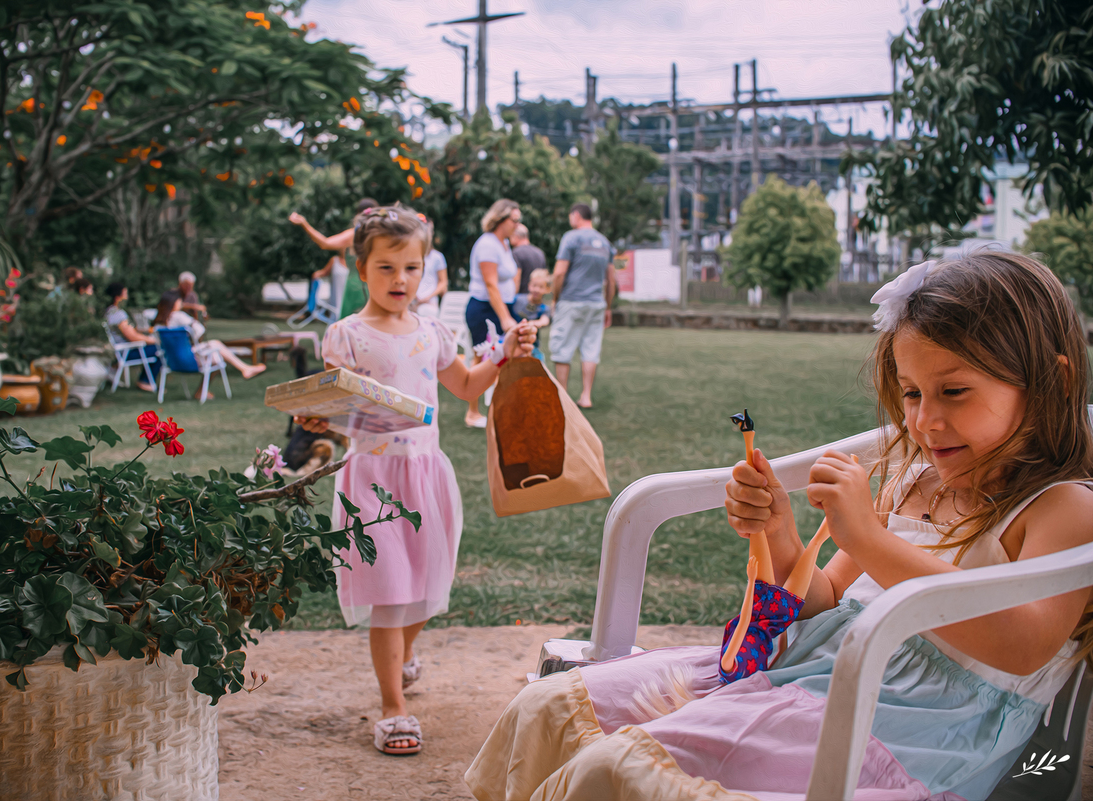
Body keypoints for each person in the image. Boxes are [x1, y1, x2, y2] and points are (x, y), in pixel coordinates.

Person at [466, 251, 1093, 801]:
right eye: (910, 393)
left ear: (1050, 382)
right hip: (808, 674)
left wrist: (869, 540)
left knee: (623, 768)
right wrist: (780, 533)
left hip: (911, 729)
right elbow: (826, 600)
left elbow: (1023, 645)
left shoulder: (1061, 508)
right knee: (548, 706)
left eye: (953, 391)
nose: (925, 421)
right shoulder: (915, 478)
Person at [295, 205, 537, 757]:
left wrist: (505, 352)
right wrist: (318, 416)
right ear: (361, 268)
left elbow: (467, 386)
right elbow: (339, 406)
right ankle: (392, 707)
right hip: (372, 480)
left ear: (424, 268)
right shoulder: (346, 336)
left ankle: (404, 656)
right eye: (385, 267)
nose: (400, 279)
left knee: (426, 588)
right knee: (389, 593)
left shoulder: (433, 332)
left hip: (426, 474)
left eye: (410, 267)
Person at [550, 203, 615, 410]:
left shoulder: (572, 237)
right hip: (596, 303)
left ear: (576, 216)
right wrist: (608, 307)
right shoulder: (605, 243)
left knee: (562, 348)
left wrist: (555, 298)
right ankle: (586, 396)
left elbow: (559, 272)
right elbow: (611, 280)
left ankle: (563, 395)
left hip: (572, 300)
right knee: (591, 349)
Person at [464, 198, 522, 428]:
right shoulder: (487, 244)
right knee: (481, 359)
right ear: (500, 219)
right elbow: (491, 285)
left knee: (507, 358)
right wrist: (505, 318)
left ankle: (502, 407)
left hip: (502, 308)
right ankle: (472, 413)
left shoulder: (504, 244)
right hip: (484, 309)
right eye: (514, 220)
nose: (517, 225)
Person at [288, 198, 379, 319]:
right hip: (375, 284)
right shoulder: (381, 236)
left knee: (352, 327)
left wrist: (304, 224)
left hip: (355, 287)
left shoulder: (354, 234)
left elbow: (325, 243)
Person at [152, 290, 266, 381]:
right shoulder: (179, 316)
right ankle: (244, 369)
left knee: (216, 353)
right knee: (216, 350)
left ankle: (244, 369)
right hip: (189, 360)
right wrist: (192, 339)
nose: (181, 302)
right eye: (179, 300)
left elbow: (156, 341)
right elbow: (199, 329)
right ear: (173, 302)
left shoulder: (159, 322)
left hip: (171, 362)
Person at [104, 282, 158, 392]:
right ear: (117, 297)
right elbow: (132, 336)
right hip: (125, 352)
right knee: (159, 350)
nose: (127, 297)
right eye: (125, 294)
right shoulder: (118, 314)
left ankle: (145, 380)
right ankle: (145, 381)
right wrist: (152, 340)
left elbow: (129, 331)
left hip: (119, 351)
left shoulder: (108, 311)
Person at [511, 269, 551, 362]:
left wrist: (532, 324)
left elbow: (544, 321)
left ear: (547, 289)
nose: (536, 289)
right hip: (511, 342)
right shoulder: (517, 300)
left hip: (531, 346)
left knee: (539, 362)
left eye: (541, 287)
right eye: (534, 285)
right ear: (529, 285)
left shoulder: (544, 309)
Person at [412, 216, 447, 318]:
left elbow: (443, 282)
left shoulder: (437, 257)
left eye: (430, 231)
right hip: (412, 303)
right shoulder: (410, 255)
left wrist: (428, 297)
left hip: (430, 305)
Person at [510, 223, 547, 298]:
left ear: (516, 236)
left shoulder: (516, 253)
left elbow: (516, 279)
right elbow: (545, 277)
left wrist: (512, 298)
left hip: (521, 298)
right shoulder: (540, 252)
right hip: (536, 299)